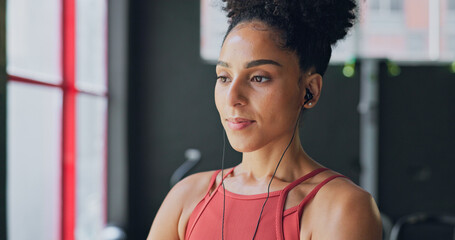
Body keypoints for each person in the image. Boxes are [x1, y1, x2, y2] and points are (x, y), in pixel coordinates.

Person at [148, 0, 382, 239]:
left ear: (309, 89)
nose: (233, 98)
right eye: (224, 77)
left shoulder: (341, 208)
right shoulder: (186, 197)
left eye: (259, 78)